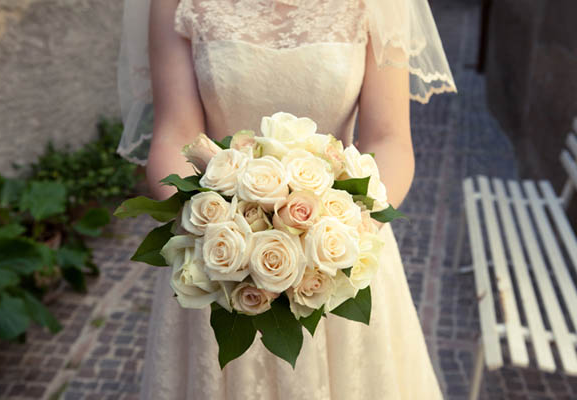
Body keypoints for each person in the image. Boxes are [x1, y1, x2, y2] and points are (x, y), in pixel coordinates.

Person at [117, 0, 456, 398]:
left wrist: (344, 232)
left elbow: (390, 139)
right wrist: (216, 233)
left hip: (338, 248)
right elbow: (175, 134)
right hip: (220, 256)